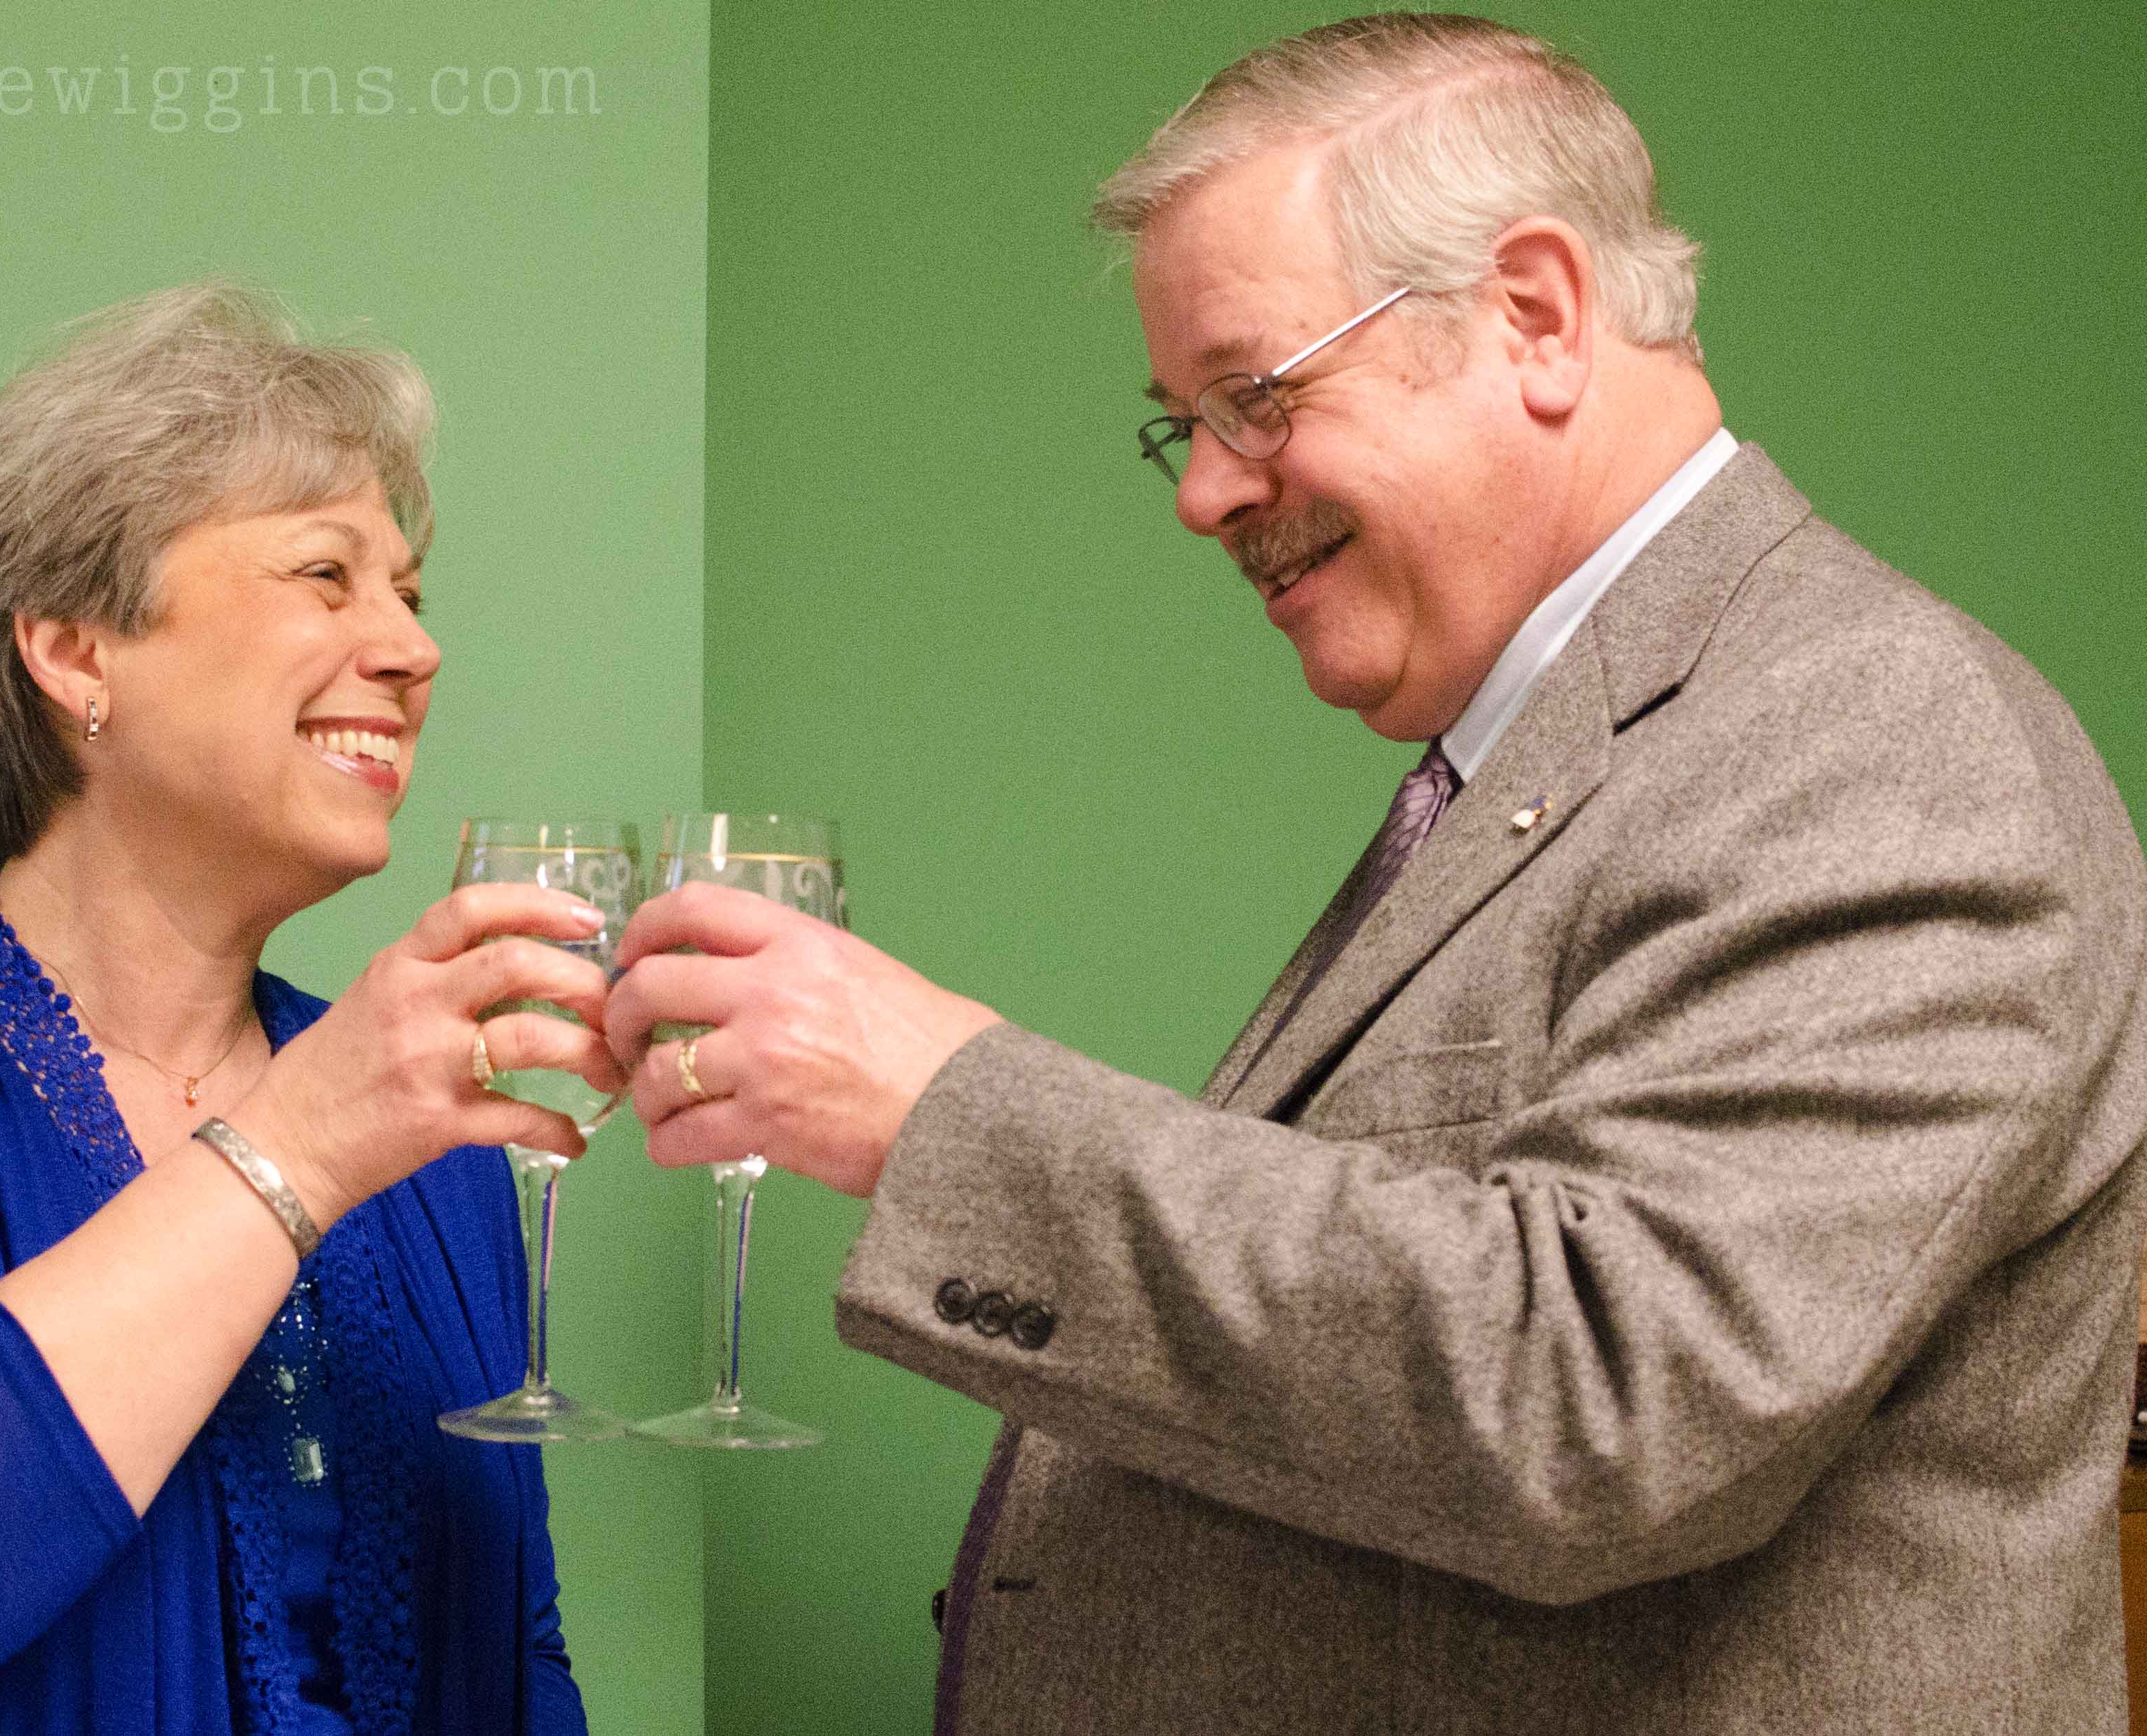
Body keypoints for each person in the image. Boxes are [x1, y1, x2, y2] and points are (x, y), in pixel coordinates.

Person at [603, 15, 2147, 1734]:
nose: (1202, 492)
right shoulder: (1565, 756)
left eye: (1254, 397)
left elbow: (1601, 1404)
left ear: (1534, 316)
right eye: (1181, 424)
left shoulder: (1872, 738)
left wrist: (937, 1110)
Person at [0, 284, 621, 1732]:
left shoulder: (437, 1144)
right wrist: (299, 1143)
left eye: (410, 596)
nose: (412, 650)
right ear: (74, 650)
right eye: (325, 575)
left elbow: (517, 1660)